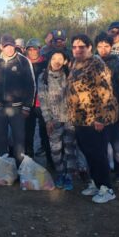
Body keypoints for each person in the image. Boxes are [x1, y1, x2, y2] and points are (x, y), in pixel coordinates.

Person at [67, 34, 118, 203]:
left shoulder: (96, 64)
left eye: (81, 46)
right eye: (74, 47)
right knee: (88, 152)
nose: (77, 49)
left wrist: (100, 119)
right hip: (80, 119)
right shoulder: (76, 64)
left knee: (98, 154)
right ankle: (96, 183)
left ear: (89, 47)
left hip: (95, 119)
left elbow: (105, 93)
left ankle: (107, 188)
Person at [0, 34, 35, 164]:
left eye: (11, 46)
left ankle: (20, 168)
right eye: (6, 46)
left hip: (17, 108)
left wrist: (27, 106)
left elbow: (31, 85)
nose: (9, 49)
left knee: (19, 140)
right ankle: (3, 167)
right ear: (1, 47)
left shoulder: (23, 61)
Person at [37, 50, 80, 190]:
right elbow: (43, 101)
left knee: (70, 149)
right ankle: (60, 173)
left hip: (69, 120)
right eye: (54, 58)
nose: (57, 61)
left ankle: (69, 176)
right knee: (55, 150)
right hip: (54, 120)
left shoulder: (70, 75)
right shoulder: (43, 77)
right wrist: (48, 120)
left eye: (60, 58)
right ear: (49, 60)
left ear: (65, 61)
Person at [95, 33, 119, 183]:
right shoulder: (92, 63)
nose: (103, 49)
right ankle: (106, 170)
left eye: (106, 46)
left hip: (114, 110)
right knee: (101, 145)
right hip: (96, 112)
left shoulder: (118, 64)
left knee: (118, 144)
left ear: (111, 47)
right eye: (100, 46)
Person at [23, 38, 53, 169]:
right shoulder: (23, 63)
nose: (32, 51)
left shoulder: (47, 63)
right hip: (27, 104)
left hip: (43, 104)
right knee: (27, 133)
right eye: (30, 49)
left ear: (40, 49)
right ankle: (29, 160)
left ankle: (51, 161)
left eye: (35, 49)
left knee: (46, 133)